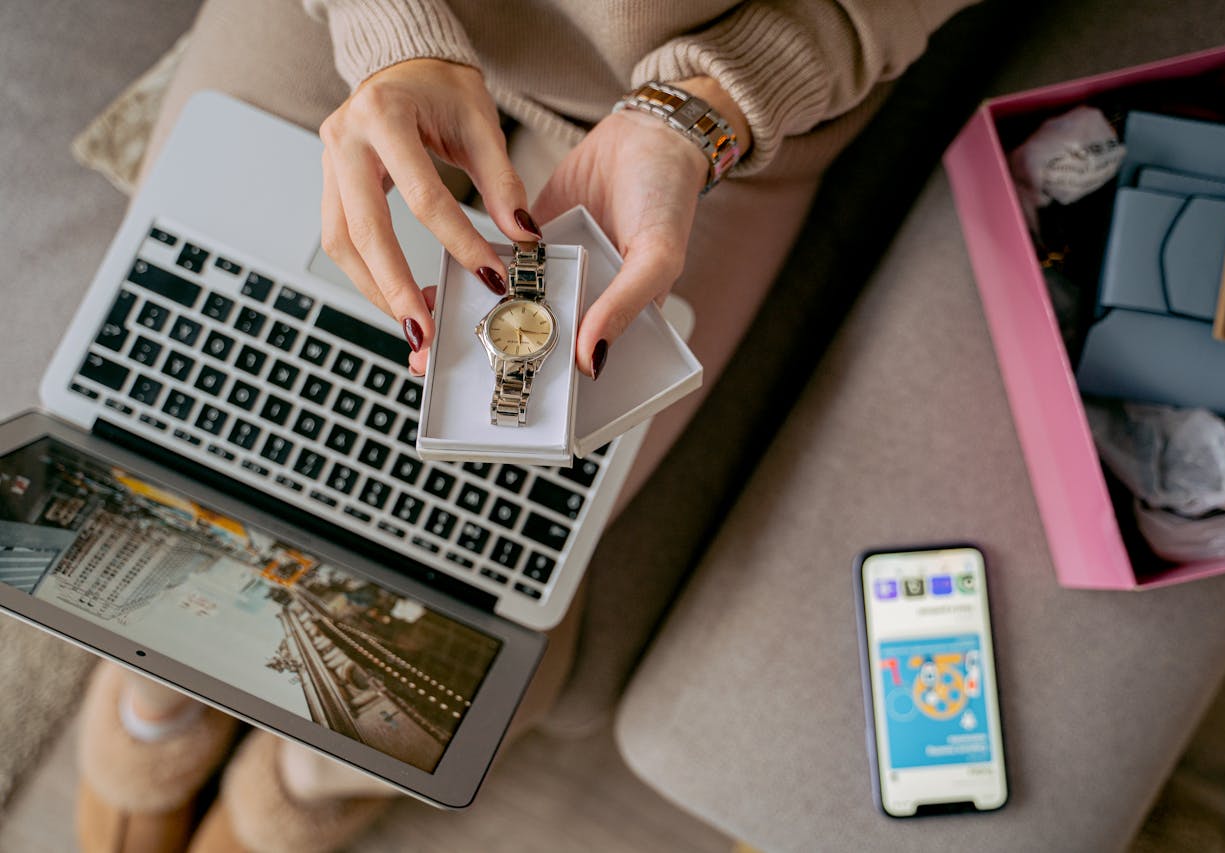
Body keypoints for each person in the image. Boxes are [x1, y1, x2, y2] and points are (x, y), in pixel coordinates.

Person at [74, 0, 972, 850]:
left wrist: (703, 108)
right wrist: (388, 31)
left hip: (707, 89)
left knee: (470, 562)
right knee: (179, 409)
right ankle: (158, 680)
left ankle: (312, 772)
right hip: (341, 25)